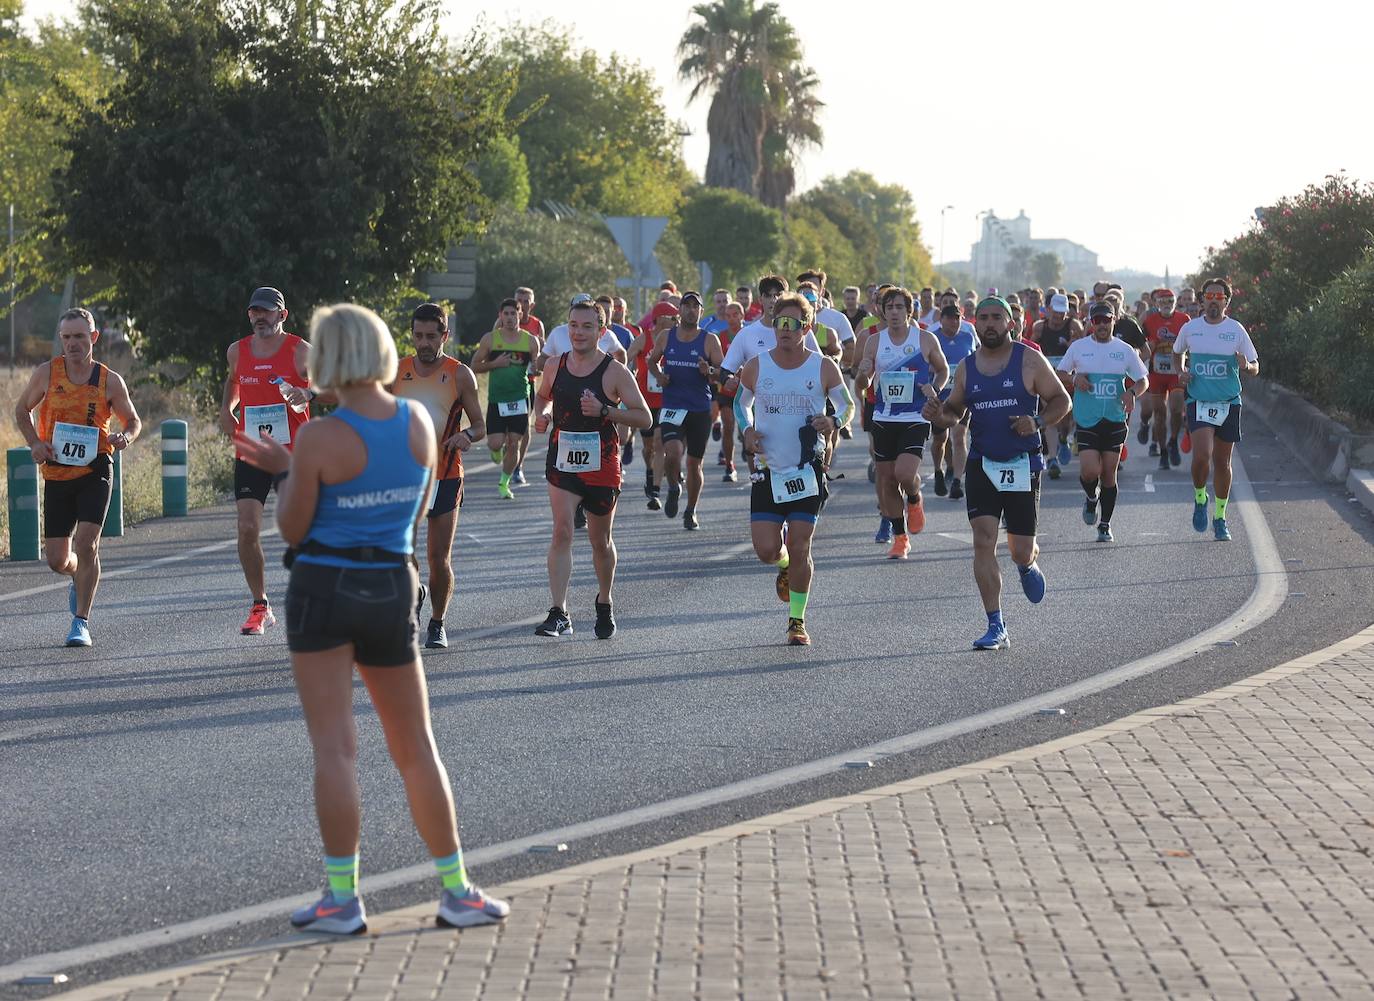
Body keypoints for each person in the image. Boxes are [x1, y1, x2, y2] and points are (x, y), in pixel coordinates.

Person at [234, 302, 508, 935]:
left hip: (325, 587)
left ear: (331, 358)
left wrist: (290, 469)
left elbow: (293, 525)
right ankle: (457, 888)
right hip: (391, 581)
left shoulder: (320, 436)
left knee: (336, 750)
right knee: (416, 746)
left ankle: (341, 899)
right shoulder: (416, 419)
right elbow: (407, 500)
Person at [923, 296, 1071, 650]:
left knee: (1020, 550)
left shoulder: (1029, 360)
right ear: (978, 323)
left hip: (1022, 463)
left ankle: (1026, 565)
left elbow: (1062, 401)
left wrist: (1035, 422)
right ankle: (996, 624)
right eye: (984, 318)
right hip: (982, 463)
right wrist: (936, 415)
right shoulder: (967, 367)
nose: (989, 323)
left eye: (996, 318)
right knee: (983, 539)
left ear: (1009, 323)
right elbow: (954, 413)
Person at [13, 307, 141, 647]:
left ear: (93, 338)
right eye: (67, 337)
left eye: (80, 337)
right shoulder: (47, 374)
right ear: (61, 339)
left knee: (87, 543)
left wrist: (125, 437)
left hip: (96, 467)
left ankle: (81, 622)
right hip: (57, 472)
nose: (73, 344)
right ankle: (76, 576)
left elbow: (133, 420)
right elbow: (21, 410)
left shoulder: (109, 380)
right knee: (58, 559)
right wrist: (35, 443)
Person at [735, 292, 854, 646]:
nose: (784, 329)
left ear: (806, 328)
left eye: (792, 324)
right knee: (766, 550)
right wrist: (747, 430)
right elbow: (740, 403)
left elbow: (847, 406)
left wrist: (832, 420)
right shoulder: (758, 364)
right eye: (779, 322)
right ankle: (783, 563)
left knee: (802, 544)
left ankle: (796, 621)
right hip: (768, 469)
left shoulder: (822, 366)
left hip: (806, 470)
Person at [532, 300, 652, 638]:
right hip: (562, 461)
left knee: (601, 542)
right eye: (573, 325)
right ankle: (559, 611)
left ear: (601, 331)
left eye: (586, 326)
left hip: (602, 465)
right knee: (562, 531)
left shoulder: (614, 371)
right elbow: (543, 396)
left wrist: (605, 411)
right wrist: (541, 414)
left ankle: (605, 600)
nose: (578, 332)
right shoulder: (555, 365)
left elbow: (644, 417)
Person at [220, 287, 321, 636]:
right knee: (247, 528)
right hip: (252, 450)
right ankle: (260, 605)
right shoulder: (237, 350)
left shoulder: (300, 350)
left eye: (266, 311)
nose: (259, 317)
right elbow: (235, 382)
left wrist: (307, 393)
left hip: (292, 452)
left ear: (282, 314)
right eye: (254, 312)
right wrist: (226, 410)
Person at [390, 303, 485, 649]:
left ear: (445, 335)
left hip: (445, 475)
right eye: (418, 336)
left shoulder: (460, 374)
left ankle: (437, 621)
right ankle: (414, 592)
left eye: (432, 336)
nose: (424, 343)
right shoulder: (396, 371)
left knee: (438, 557)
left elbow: (480, 425)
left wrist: (467, 436)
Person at [853, 287, 950, 561]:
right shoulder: (874, 342)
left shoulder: (925, 339)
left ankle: (915, 499)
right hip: (884, 417)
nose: (894, 312)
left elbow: (942, 370)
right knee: (886, 480)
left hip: (915, 417)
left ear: (909, 311)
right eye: (889, 307)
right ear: (882, 311)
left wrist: (934, 388)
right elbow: (863, 383)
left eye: (899, 307)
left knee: (905, 474)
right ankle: (900, 538)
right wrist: (861, 375)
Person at [1175, 278, 1259, 541]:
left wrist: (1246, 365)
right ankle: (1201, 498)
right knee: (1202, 455)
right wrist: (1181, 371)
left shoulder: (1236, 330)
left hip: (1229, 402)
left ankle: (1220, 517)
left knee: (1222, 462)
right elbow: (1178, 353)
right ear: (1202, 300)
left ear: (1226, 302)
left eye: (1219, 296)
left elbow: (1256, 367)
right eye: (1209, 295)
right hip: (1199, 400)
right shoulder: (1191, 329)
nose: (1213, 300)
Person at [1057, 303, 1149, 542]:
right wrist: (1076, 379)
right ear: (1090, 322)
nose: (1101, 325)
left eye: (1106, 320)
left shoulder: (1125, 350)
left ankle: (1105, 525)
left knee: (1109, 474)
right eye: (1096, 321)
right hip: (1087, 418)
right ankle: (1090, 498)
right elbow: (1061, 372)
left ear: (1114, 320)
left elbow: (1142, 380)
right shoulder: (1079, 348)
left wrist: (1131, 393)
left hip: (1115, 417)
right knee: (1090, 472)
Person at [648, 291, 724, 529]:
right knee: (672, 451)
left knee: (693, 464)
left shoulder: (709, 340)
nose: (691, 310)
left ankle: (690, 510)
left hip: (699, 409)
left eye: (696, 307)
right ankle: (672, 487)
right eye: (687, 305)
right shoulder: (666, 336)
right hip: (672, 405)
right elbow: (651, 361)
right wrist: (660, 376)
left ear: (701, 311)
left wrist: (708, 371)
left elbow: (722, 371)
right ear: (679, 310)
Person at [471, 299, 540, 500]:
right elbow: (474, 365)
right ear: (500, 316)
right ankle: (495, 450)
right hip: (497, 399)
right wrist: (495, 363)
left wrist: (536, 368)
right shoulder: (490, 339)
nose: (510, 318)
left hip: (519, 398)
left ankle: (504, 482)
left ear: (520, 315)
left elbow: (536, 366)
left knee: (514, 443)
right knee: (495, 443)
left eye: (514, 313)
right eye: (506, 314)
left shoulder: (530, 341)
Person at [626, 301, 676, 508]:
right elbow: (624, 361)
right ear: (660, 318)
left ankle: (655, 490)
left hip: (667, 400)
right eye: (672, 317)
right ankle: (650, 471)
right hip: (645, 401)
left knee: (658, 442)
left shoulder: (675, 339)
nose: (676, 321)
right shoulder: (643, 339)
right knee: (648, 448)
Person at [927, 304, 979, 500]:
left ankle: (957, 481)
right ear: (942, 320)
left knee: (959, 436)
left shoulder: (967, 337)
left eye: (957, 318)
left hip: (962, 397)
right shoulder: (933, 339)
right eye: (950, 318)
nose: (954, 322)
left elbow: (976, 362)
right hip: (938, 399)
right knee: (940, 439)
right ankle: (938, 471)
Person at [1031, 293, 1084, 478]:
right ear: (1049, 309)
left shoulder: (1074, 326)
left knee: (1066, 418)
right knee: (1050, 414)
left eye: (1062, 313)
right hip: (1048, 376)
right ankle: (1052, 458)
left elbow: (1084, 348)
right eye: (1056, 312)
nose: (1058, 317)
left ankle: (1063, 439)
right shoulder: (1039, 327)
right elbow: (1032, 350)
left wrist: (1073, 344)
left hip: (1068, 376)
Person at [1142, 287, 1188, 469]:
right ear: (1156, 304)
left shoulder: (1184, 320)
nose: (1167, 305)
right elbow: (1141, 344)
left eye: (1170, 301)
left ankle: (1174, 440)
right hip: (1157, 373)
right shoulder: (1150, 321)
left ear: (1175, 303)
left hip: (1175, 372)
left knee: (1176, 408)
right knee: (1159, 414)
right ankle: (1163, 451)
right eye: (1162, 302)